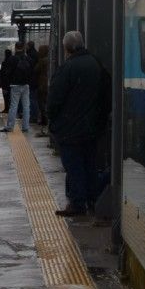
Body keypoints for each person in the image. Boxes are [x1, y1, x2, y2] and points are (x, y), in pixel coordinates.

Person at [47, 31, 105, 217]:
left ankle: (77, 203)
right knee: (89, 164)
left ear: (67, 48)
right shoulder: (96, 64)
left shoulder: (68, 68)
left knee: (74, 167)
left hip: (70, 128)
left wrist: (54, 121)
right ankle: (92, 199)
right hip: (91, 127)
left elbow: (54, 100)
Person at [1, 41, 33, 133]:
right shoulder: (28, 59)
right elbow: (31, 71)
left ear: (15, 48)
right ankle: (25, 127)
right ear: (23, 48)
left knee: (13, 106)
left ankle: (10, 126)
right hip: (26, 85)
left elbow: (7, 73)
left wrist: (7, 84)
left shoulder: (12, 59)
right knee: (26, 106)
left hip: (15, 85)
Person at [33, 44, 50, 135]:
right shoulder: (50, 60)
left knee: (41, 103)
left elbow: (35, 70)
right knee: (46, 102)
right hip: (47, 84)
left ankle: (44, 119)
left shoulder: (42, 61)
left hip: (42, 85)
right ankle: (45, 118)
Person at [0, 49, 13, 113]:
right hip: (11, 81)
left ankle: (6, 108)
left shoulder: (5, 62)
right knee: (10, 96)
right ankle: (10, 108)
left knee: (5, 96)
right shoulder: (12, 61)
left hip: (5, 82)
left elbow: (2, 71)